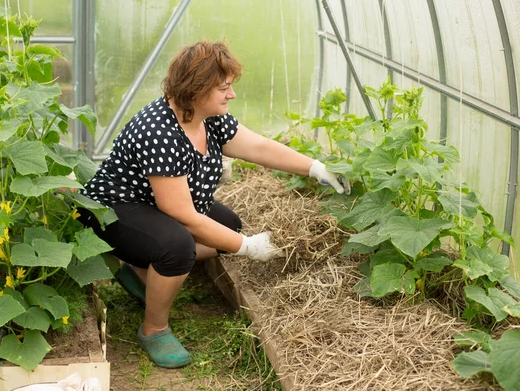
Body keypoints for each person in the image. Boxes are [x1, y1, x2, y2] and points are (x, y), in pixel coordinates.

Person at [79, 40, 350, 369]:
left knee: (228, 228)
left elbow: (260, 148)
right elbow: (184, 216)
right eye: (224, 88)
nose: (231, 95)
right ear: (196, 88)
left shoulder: (208, 117)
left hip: (153, 205)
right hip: (114, 210)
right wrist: (248, 247)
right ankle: (154, 328)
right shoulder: (160, 130)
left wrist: (314, 167)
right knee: (178, 247)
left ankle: (140, 272)